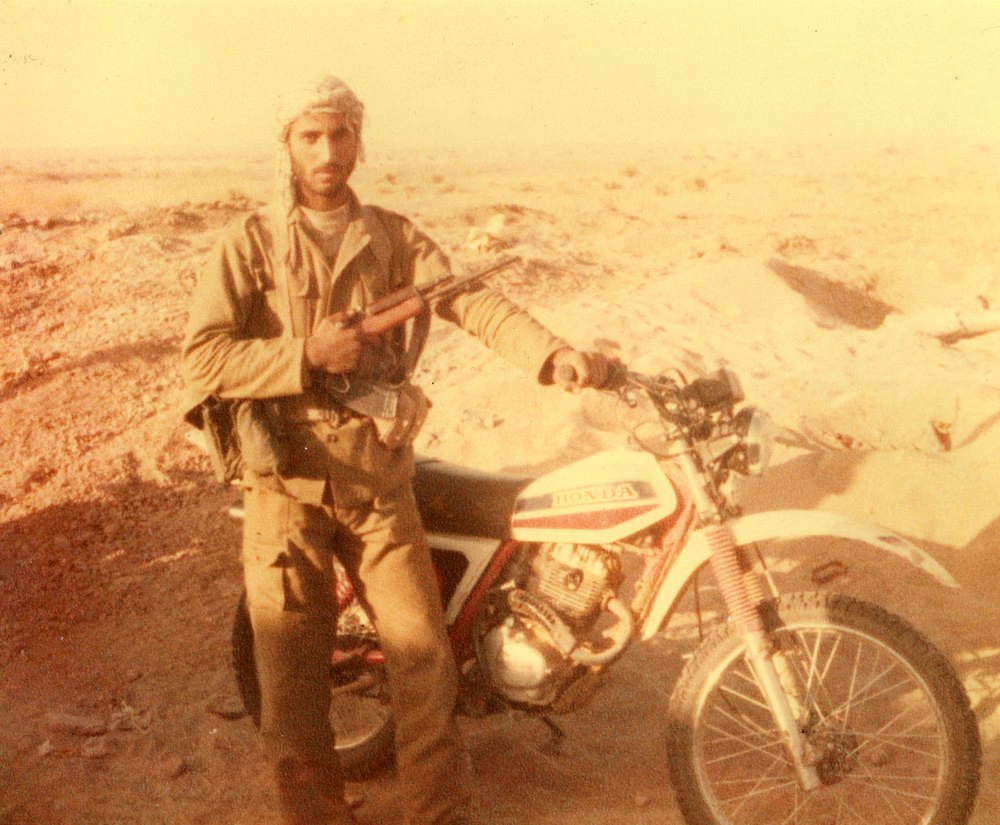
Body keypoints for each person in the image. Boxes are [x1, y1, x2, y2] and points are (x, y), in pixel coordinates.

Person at [180, 75, 613, 825]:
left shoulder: (391, 237)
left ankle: (440, 814)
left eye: (341, 134)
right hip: (284, 493)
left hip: (378, 484)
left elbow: (468, 297)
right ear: (287, 144)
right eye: (310, 136)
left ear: (359, 140)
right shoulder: (249, 244)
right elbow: (204, 358)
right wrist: (305, 354)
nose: (327, 151)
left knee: (425, 665)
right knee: (292, 690)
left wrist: (553, 355)